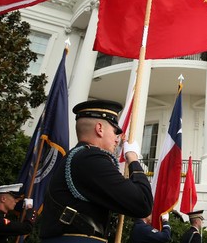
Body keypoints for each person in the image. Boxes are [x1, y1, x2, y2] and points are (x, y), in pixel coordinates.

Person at [39, 100, 154, 242]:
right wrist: (133, 160)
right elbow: (142, 203)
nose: (117, 140)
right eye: (115, 132)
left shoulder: (79, 156)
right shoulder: (90, 158)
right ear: (100, 128)